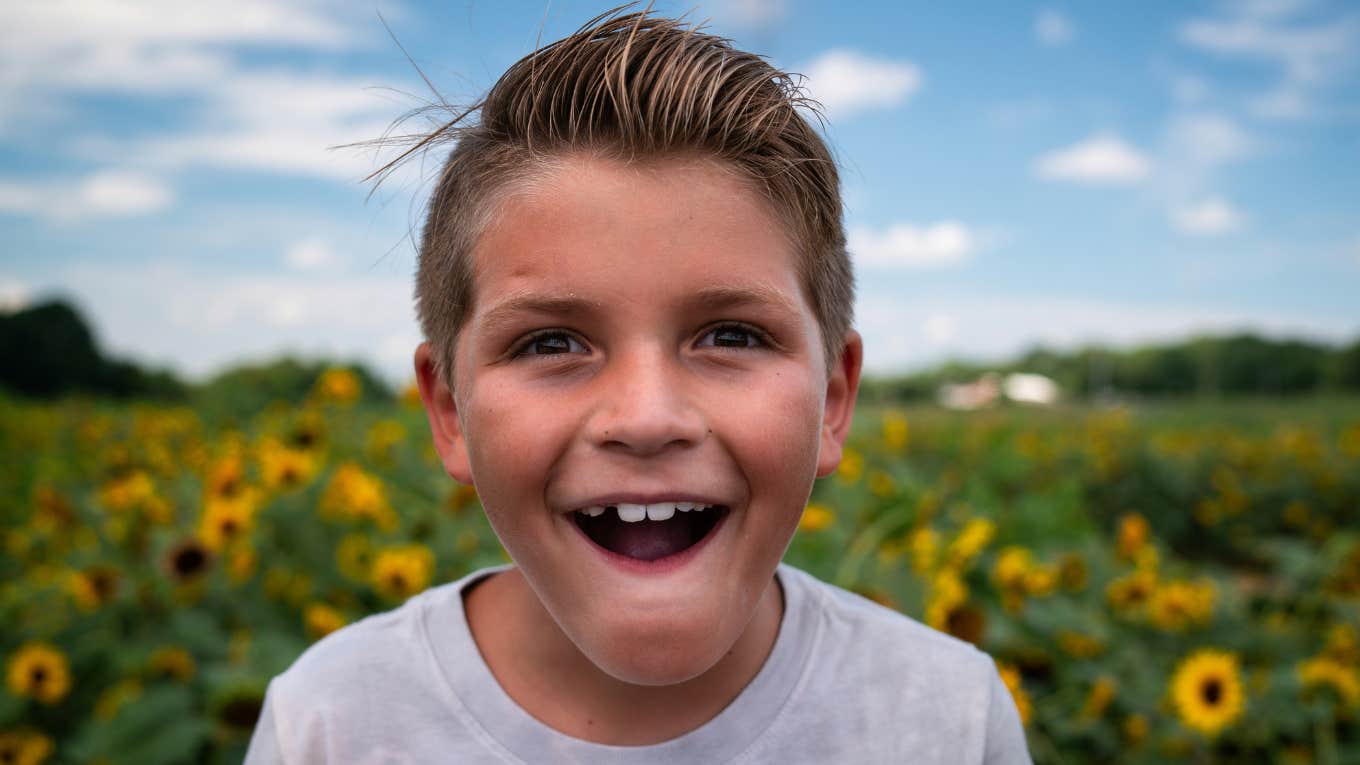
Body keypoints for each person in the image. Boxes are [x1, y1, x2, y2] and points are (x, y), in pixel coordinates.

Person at [245, 10, 1031, 764]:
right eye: (551, 342)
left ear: (832, 399)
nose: (648, 417)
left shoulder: (947, 719)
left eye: (731, 336)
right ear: (450, 410)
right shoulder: (329, 724)